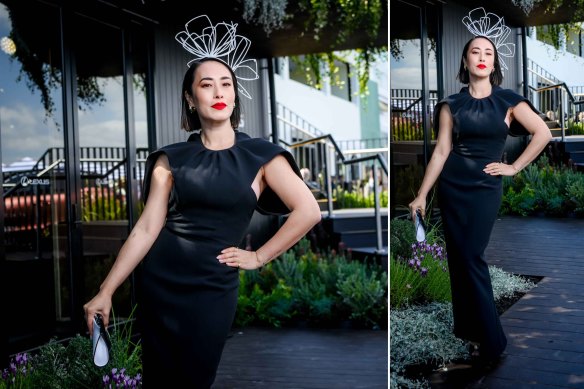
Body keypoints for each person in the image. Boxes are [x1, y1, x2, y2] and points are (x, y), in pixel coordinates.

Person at [83, 16, 322, 387]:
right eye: (206, 85)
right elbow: (147, 227)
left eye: (225, 83)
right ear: (191, 98)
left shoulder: (261, 156)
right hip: (160, 284)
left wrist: (258, 257)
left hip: (214, 286)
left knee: (196, 377)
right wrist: (106, 290)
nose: (217, 92)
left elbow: (308, 211)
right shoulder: (171, 158)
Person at [408, 34, 552, 365]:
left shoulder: (509, 101)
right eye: (476, 51)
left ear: (495, 63)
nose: (482, 57)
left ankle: (492, 341)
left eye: (489, 53)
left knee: (472, 255)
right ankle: (472, 334)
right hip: (452, 188)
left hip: (486, 188)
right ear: (465, 61)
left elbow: (542, 133)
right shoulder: (450, 104)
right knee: (459, 261)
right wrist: (422, 194)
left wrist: (514, 166)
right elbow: (442, 150)